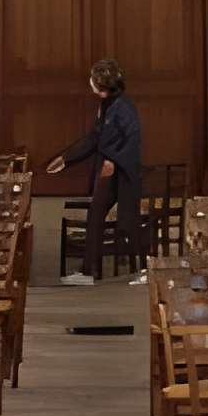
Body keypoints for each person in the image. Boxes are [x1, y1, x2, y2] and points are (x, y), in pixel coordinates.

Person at [47, 60, 144, 284]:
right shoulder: (107, 105)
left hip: (121, 171)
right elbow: (95, 138)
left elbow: (133, 139)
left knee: (127, 222)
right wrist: (65, 159)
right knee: (95, 214)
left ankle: (140, 271)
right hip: (108, 170)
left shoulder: (124, 106)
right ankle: (90, 271)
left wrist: (113, 160)